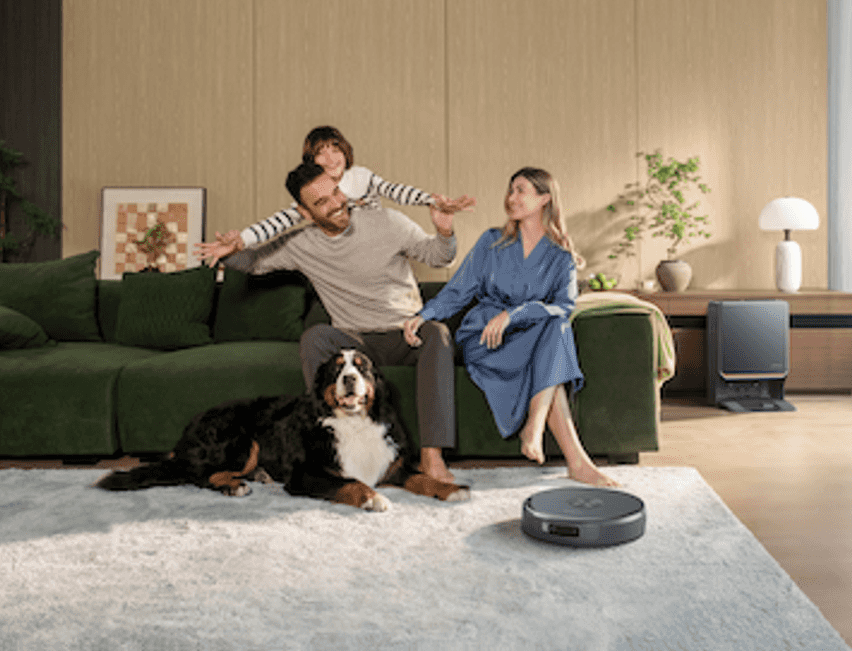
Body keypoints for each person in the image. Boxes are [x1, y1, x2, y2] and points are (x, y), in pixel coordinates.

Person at [201, 160, 462, 483]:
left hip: (403, 334)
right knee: (316, 337)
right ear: (305, 212)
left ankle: (432, 457)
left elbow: (438, 256)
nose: (337, 203)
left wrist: (444, 231)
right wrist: (228, 252)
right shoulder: (301, 243)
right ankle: (327, 449)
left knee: (437, 332)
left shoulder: (387, 221)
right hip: (354, 341)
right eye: (322, 202)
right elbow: (254, 262)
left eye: (336, 192)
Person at [403, 167, 618, 488]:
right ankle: (567, 453)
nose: (511, 198)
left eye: (521, 191)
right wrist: (424, 315)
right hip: (486, 337)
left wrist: (514, 314)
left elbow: (564, 306)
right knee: (553, 346)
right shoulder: (492, 242)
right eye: (510, 190)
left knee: (557, 325)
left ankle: (543, 431)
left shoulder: (561, 258)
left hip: (529, 336)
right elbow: (459, 289)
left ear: (544, 199)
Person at [200, 125, 475, 266]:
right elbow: (279, 221)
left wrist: (431, 200)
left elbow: (395, 191)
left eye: (335, 149)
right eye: (321, 153)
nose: (331, 158)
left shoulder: (362, 177)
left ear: (345, 151)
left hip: (375, 249)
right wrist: (242, 239)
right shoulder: (312, 193)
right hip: (342, 256)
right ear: (311, 161)